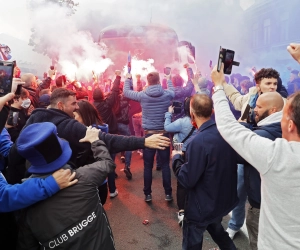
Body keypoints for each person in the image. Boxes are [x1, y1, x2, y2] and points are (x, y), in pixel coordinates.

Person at [210, 42, 300, 249]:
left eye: (283, 115)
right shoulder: (250, 99)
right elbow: (235, 99)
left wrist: (217, 87)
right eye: (268, 84)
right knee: (240, 194)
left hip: (260, 166)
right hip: (255, 170)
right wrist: (223, 83)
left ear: (290, 123)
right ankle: (234, 224)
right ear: (258, 85)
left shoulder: (276, 154)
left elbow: (230, 130)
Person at [7, 87, 169, 185]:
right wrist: (144, 141)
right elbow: (108, 140)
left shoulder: (35, 117)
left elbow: (15, 153)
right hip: (61, 185)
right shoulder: (68, 125)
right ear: (61, 105)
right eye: (73, 104)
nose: (77, 107)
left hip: (30, 185)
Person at [16, 123, 116, 250]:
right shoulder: (83, 176)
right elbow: (107, 163)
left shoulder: (26, 202)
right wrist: (95, 140)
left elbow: (28, 245)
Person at [172, 94, 238, 250]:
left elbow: (187, 179)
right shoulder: (224, 132)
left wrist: (176, 158)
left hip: (201, 207)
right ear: (213, 111)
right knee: (218, 232)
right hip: (219, 201)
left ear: (192, 113)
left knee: (192, 243)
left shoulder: (198, 142)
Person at [124, 71, 174, 202]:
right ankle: (168, 194)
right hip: (163, 133)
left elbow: (126, 93)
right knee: (165, 166)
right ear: (158, 81)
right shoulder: (166, 94)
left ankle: (147, 194)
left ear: (148, 82)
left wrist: (128, 79)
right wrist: (168, 79)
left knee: (147, 166)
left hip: (149, 135)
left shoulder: (143, 95)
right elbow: (173, 92)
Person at [164, 96, 196, 226]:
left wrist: (169, 114)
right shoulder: (201, 121)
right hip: (194, 151)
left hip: (180, 148)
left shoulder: (182, 122)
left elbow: (167, 127)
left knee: (181, 181)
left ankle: (182, 211)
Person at [73, 99, 109, 205]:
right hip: (100, 181)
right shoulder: (100, 129)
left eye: (74, 116)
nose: (72, 120)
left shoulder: (91, 134)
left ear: (84, 115)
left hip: (92, 185)